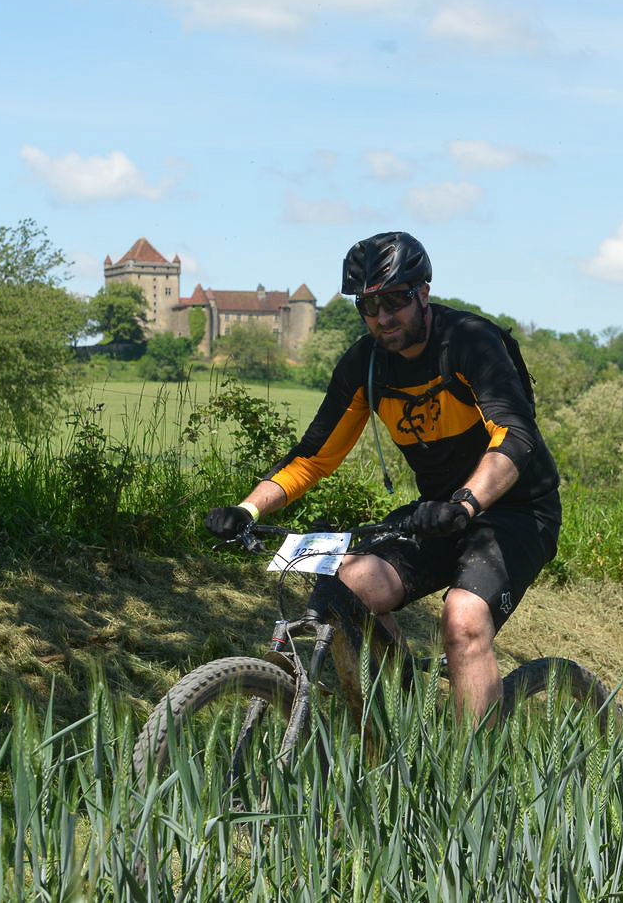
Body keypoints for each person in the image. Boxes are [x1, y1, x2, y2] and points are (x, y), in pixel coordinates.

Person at [204, 231, 561, 719]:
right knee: (346, 583)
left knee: (463, 618)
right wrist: (247, 510)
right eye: (368, 306)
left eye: (395, 301)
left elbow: (515, 436)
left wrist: (466, 502)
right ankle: (404, 721)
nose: (383, 317)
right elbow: (312, 457)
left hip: (516, 511)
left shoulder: (469, 341)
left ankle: (474, 763)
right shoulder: (366, 365)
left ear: (423, 293)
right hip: (437, 514)